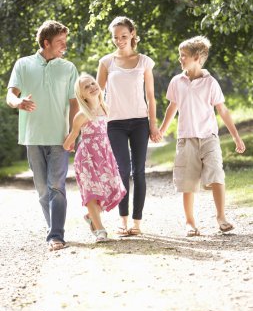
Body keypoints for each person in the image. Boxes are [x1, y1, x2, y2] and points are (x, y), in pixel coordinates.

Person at [159, 35, 246, 236]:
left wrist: (236, 137)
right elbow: (172, 107)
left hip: (209, 137)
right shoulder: (176, 81)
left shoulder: (211, 83)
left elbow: (223, 111)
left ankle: (221, 217)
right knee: (188, 181)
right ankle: (190, 222)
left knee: (216, 174)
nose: (180, 59)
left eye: (183, 56)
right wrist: (162, 130)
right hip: (186, 138)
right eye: (180, 55)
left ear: (197, 57)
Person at [6, 20, 79, 251]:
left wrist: (72, 133)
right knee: (42, 190)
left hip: (59, 137)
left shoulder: (68, 68)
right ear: (46, 42)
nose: (64, 47)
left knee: (56, 186)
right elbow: (10, 95)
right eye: (60, 42)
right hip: (32, 137)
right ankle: (53, 230)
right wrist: (19, 102)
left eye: (65, 42)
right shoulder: (23, 64)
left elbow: (74, 103)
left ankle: (56, 235)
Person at [97, 16, 161, 236]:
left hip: (140, 123)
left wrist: (153, 125)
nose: (119, 40)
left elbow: (151, 97)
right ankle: (122, 221)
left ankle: (137, 223)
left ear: (132, 34)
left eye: (123, 36)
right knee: (122, 171)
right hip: (114, 123)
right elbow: (96, 95)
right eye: (115, 37)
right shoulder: (106, 62)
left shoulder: (144, 61)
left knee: (139, 172)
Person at [63, 73, 126, 242]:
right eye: (86, 86)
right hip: (87, 158)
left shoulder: (105, 108)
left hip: (104, 155)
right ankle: (100, 230)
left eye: (93, 83)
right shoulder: (82, 115)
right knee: (91, 191)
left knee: (104, 188)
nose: (92, 86)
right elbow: (72, 137)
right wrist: (68, 144)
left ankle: (91, 217)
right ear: (81, 95)